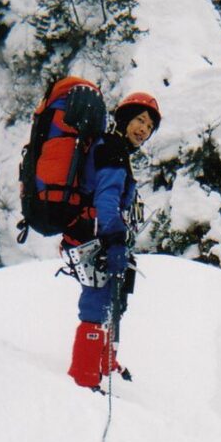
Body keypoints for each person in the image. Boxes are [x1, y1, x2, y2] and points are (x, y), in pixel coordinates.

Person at [63, 91, 161, 390]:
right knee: (98, 300)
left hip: (96, 233)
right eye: (139, 120)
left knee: (112, 298)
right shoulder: (112, 149)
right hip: (94, 235)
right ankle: (85, 375)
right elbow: (106, 198)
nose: (143, 129)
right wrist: (115, 239)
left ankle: (104, 361)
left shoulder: (112, 148)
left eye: (149, 126)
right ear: (124, 119)